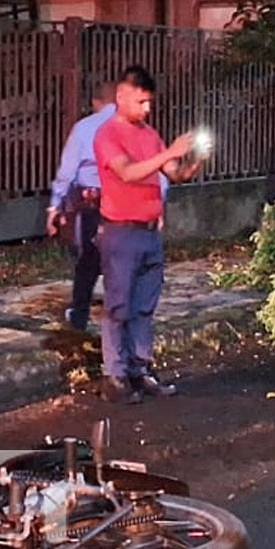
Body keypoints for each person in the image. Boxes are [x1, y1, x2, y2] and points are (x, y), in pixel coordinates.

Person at [92, 65, 207, 405]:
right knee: (118, 306)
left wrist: (194, 161)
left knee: (144, 306)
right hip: (120, 232)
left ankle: (140, 369)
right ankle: (115, 375)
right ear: (121, 96)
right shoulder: (107, 135)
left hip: (148, 232)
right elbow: (127, 173)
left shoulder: (149, 135)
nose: (146, 109)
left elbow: (174, 174)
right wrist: (169, 153)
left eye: (149, 103)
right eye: (141, 102)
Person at [47, 82, 117, 333]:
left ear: (96, 102)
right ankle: (120, 317)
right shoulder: (131, 128)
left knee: (89, 260)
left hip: (93, 204)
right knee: (119, 260)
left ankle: (79, 314)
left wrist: (55, 207)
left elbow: (67, 173)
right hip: (124, 205)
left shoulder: (84, 128)